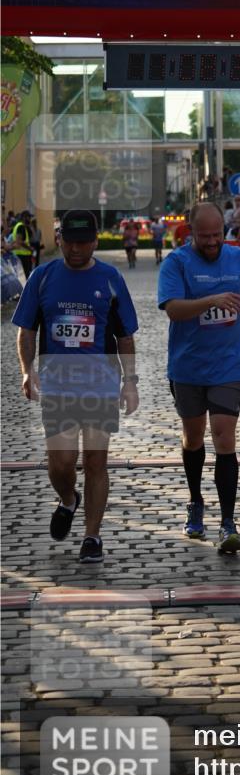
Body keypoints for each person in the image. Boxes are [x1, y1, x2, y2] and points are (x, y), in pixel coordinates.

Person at [12, 209, 139, 563]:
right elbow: (27, 330)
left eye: (84, 242)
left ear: (95, 241)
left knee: (96, 461)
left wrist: (130, 383)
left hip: (100, 382)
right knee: (61, 463)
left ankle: (92, 537)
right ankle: (69, 499)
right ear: (59, 239)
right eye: (71, 242)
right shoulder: (42, 276)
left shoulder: (111, 279)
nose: (77, 249)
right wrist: (27, 370)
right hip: (57, 383)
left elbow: (125, 336)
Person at [157, 202, 240, 554]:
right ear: (190, 233)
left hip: (227, 366)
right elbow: (174, 310)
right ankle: (196, 501)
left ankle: (228, 521)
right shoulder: (176, 263)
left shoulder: (236, 258)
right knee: (193, 438)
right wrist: (212, 299)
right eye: (205, 236)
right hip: (188, 367)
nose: (212, 242)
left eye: (217, 235)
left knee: (224, 436)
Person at [12, 211, 34, 279]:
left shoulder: (21, 226)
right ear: (24, 217)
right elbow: (19, 241)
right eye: (29, 217)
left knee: (23, 277)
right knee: (24, 277)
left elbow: (31, 235)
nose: (30, 219)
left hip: (21, 255)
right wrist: (29, 248)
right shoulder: (21, 227)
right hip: (22, 256)